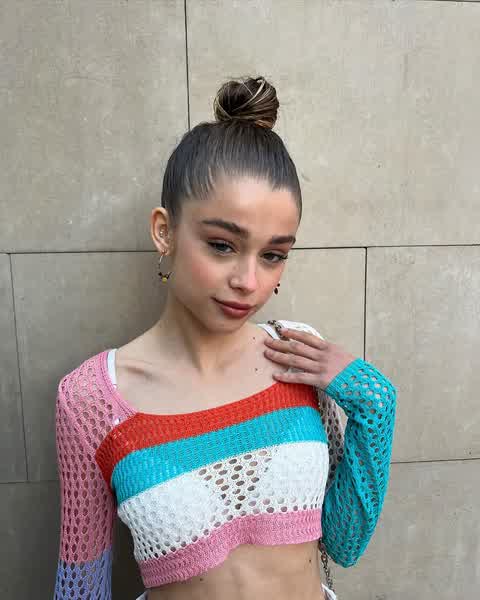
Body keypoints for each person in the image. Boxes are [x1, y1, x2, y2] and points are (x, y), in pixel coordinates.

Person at [53, 75, 397, 600]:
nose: (249, 281)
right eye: (221, 245)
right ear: (164, 231)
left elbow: (343, 543)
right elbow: (83, 583)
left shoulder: (298, 355)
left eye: (273, 254)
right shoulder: (91, 400)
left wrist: (374, 401)